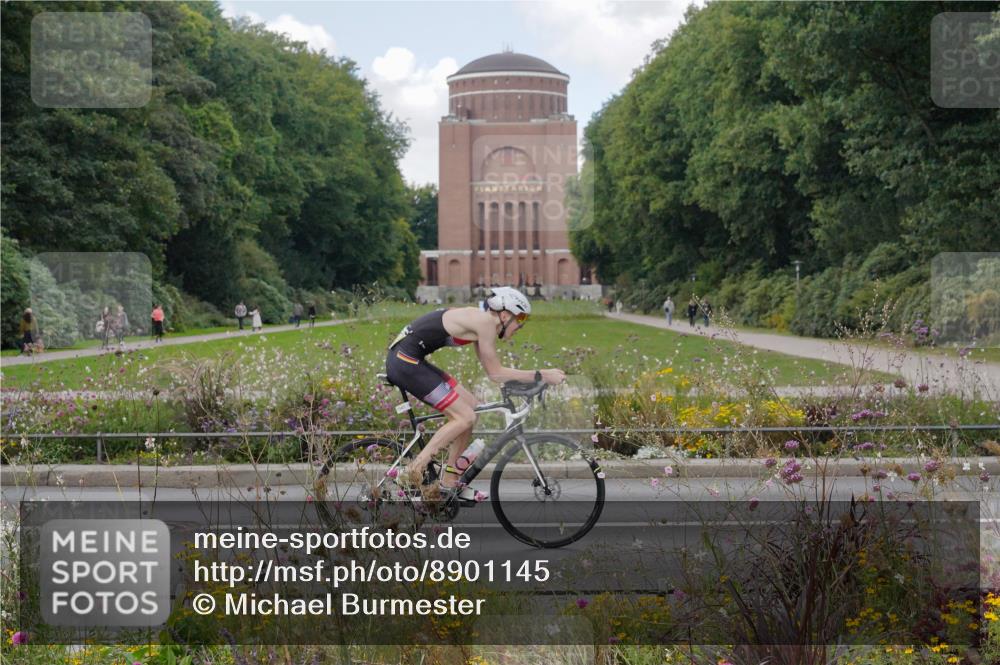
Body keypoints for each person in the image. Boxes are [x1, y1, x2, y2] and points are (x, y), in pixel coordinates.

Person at [387, 287, 565, 500]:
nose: (521, 326)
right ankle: (413, 471)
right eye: (521, 319)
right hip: (405, 362)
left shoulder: (481, 322)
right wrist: (542, 374)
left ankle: (449, 481)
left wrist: (531, 379)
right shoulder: (485, 323)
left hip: (410, 359)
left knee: (472, 407)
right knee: (465, 416)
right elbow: (497, 373)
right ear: (505, 314)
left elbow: (494, 374)